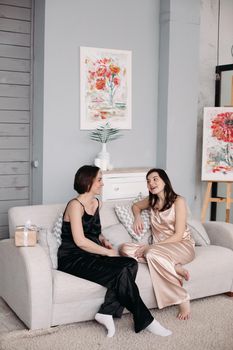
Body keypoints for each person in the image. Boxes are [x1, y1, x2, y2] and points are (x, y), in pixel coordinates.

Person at [57, 165, 172, 337]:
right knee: (121, 271)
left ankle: (106, 311)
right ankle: (145, 319)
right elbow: (80, 241)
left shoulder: (97, 203)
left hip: (92, 254)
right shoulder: (75, 205)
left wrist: (102, 239)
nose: (102, 184)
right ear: (88, 182)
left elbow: (94, 230)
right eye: (99, 179)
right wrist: (108, 253)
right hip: (73, 258)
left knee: (130, 264)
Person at [120, 168, 195, 320]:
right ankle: (173, 267)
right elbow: (136, 206)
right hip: (159, 250)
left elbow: (178, 235)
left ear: (164, 181)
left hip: (181, 245)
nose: (151, 183)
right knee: (124, 249)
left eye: (155, 179)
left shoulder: (178, 201)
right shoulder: (151, 201)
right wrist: (137, 217)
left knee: (151, 253)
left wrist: (152, 247)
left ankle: (182, 299)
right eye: (148, 181)